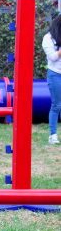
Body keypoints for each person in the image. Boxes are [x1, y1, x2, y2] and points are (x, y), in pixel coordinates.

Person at [42, 14, 61, 144]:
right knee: (56, 105)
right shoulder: (47, 38)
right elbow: (53, 57)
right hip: (55, 74)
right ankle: (52, 135)